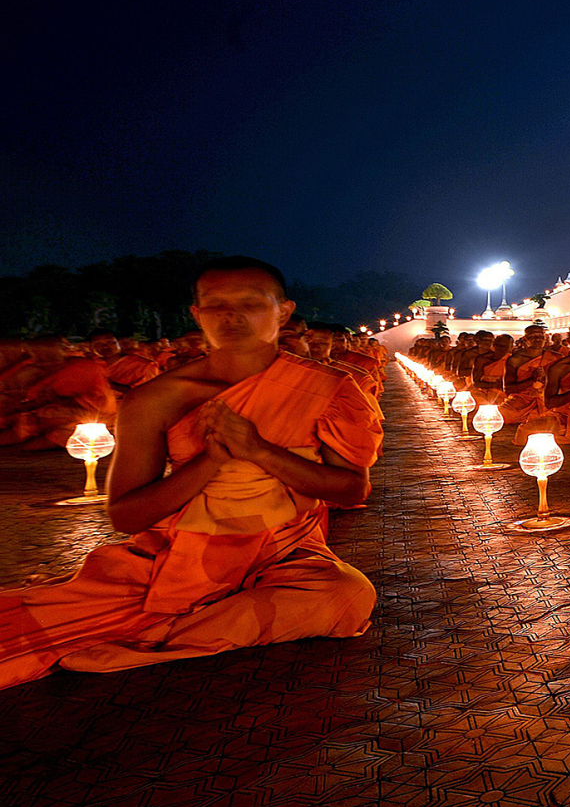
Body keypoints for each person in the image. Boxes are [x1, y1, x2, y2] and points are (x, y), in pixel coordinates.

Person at [0, 258, 380, 689]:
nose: (232, 316)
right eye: (215, 305)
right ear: (197, 315)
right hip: (174, 559)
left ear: (284, 312)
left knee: (347, 595)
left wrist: (258, 450)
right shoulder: (155, 399)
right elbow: (127, 517)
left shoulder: (329, 388)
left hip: (285, 555)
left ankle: (157, 632)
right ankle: (190, 619)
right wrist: (211, 460)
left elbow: (352, 489)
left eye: (251, 303)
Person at [0, 337, 117, 449]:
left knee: (29, 428)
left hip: (90, 414)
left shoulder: (80, 366)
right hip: (56, 410)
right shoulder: (33, 366)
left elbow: (46, 399)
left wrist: (16, 410)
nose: (72, 348)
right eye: (66, 346)